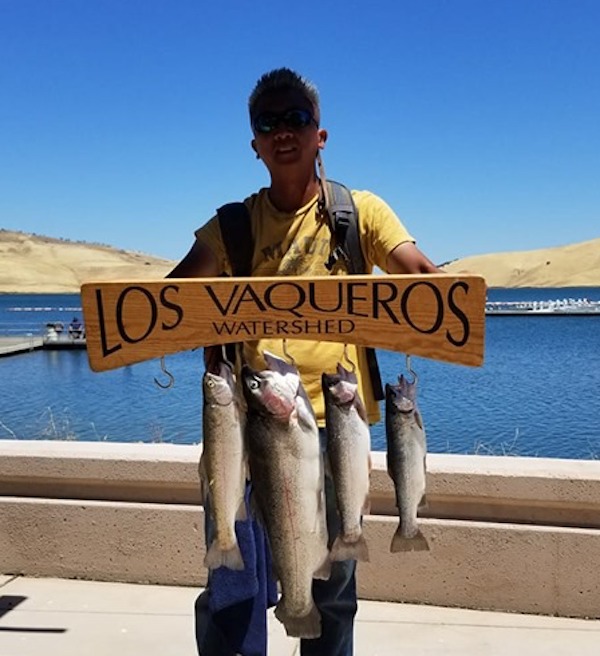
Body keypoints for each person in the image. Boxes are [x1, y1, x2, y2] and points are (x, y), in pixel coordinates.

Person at [168, 68, 440, 656]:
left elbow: (416, 273)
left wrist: (455, 296)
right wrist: (127, 322)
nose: (283, 131)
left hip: (336, 430)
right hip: (250, 430)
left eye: (296, 118)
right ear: (255, 144)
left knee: (333, 587)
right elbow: (175, 298)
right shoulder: (232, 225)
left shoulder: (358, 212)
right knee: (232, 585)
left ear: (321, 135)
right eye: (269, 123)